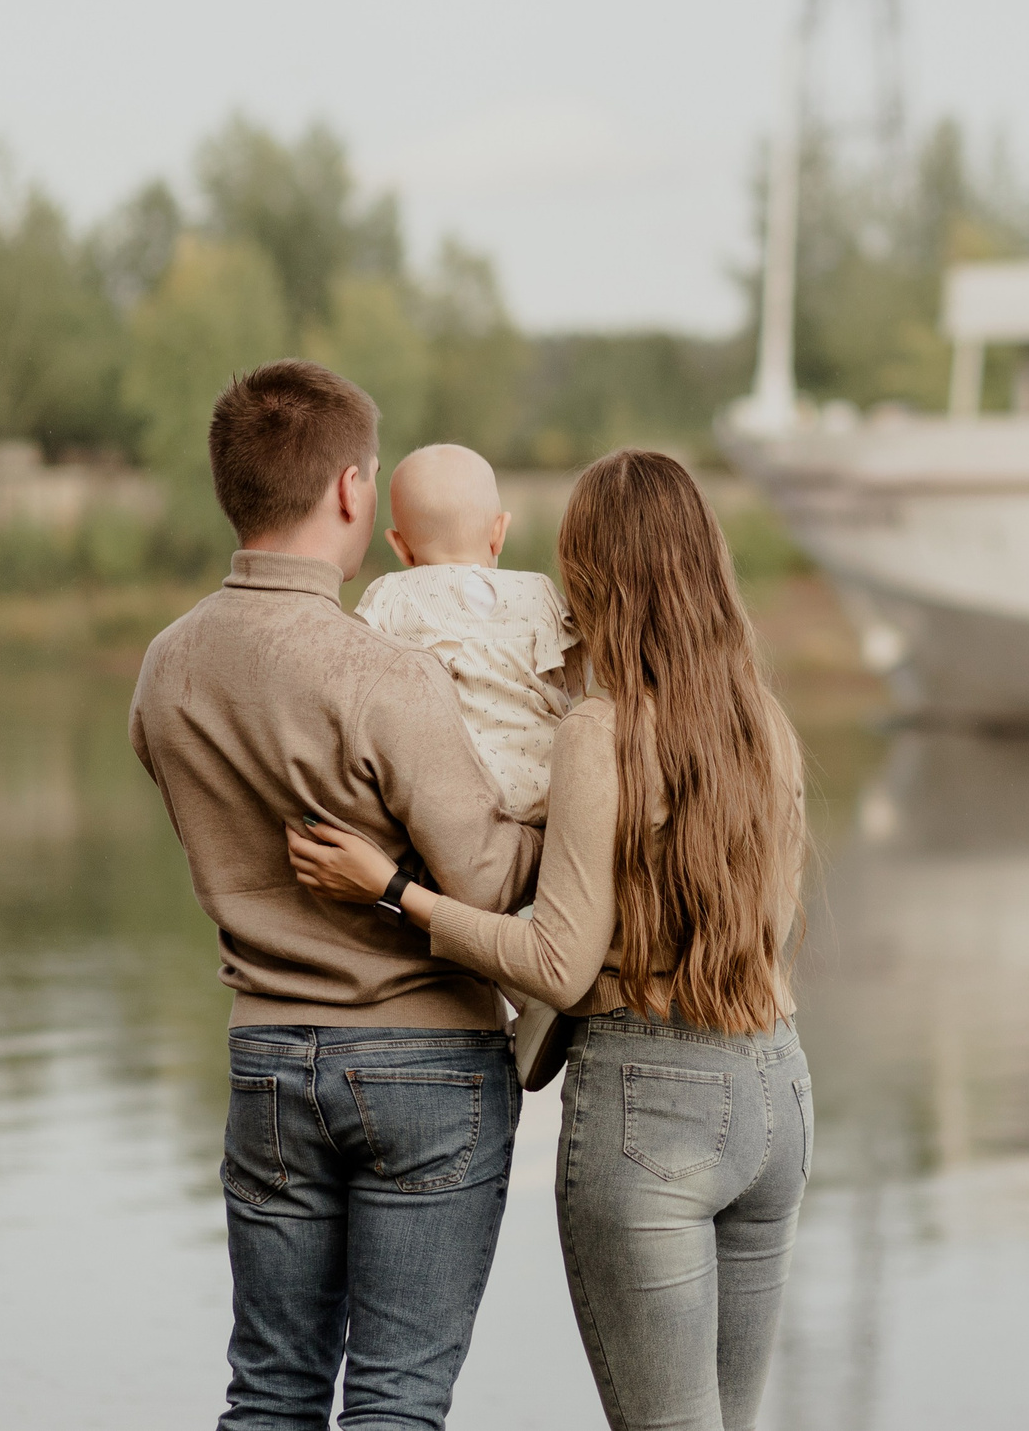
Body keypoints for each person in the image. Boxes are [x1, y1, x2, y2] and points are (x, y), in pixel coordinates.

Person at [288, 448, 813, 1431]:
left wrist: (396, 891)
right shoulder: (766, 727)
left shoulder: (600, 734)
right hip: (776, 1090)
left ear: (590, 576)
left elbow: (559, 966)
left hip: (652, 1105)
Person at [128, 361, 543, 1431]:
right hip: (426, 1063)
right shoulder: (384, 673)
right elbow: (490, 881)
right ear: (354, 490)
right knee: (396, 1400)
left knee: (270, 1391)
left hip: (266, 1057)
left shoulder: (166, 667)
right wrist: (572, 815)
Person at [356, 442, 581, 822]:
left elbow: (358, 686)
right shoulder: (540, 593)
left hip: (455, 800)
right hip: (551, 790)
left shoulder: (392, 596)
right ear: (499, 532)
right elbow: (572, 682)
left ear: (399, 546)